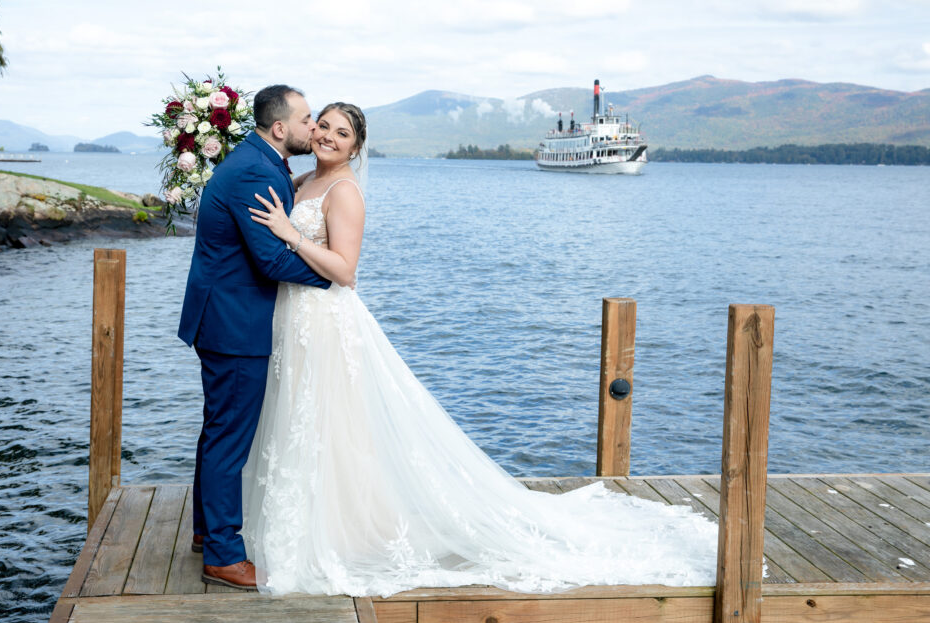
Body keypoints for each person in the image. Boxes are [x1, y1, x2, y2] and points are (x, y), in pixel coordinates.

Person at [244, 103, 718, 597]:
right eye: (322, 126)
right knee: (306, 421)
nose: (328, 137)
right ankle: (313, 524)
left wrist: (290, 234)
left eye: (342, 134)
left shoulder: (344, 192)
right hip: (295, 319)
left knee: (332, 424)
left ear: (356, 148)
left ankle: (343, 535)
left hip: (325, 320)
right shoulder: (302, 182)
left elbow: (345, 271)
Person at [177, 85, 331, 590]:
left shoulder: (257, 161)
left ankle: (206, 532)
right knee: (228, 438)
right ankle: (223, 553)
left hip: (222, 313)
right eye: (309, 119)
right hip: (234, 322)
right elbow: (269, 259)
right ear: (280, 128)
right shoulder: (255, 171)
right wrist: (333, 275)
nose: (315, 128)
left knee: (217, 428)